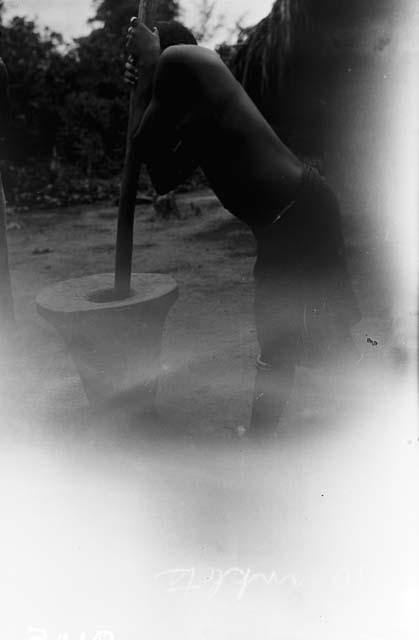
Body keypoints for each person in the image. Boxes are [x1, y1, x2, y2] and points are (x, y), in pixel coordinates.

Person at [124, 19, 361, 437]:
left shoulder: (184, 58)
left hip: (300, 210)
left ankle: (280, 441)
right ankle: (281, 439)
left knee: (297, 332)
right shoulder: (197, 108)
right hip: (286, 221)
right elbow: (160, 173)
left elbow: (141, 146)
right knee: (287, 335)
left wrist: (147, 72)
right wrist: (144, 84)